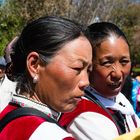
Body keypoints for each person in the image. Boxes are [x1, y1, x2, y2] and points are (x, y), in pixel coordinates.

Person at [0, 16, 92, 139]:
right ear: (34, 65)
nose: (86, 82)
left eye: (89, 71)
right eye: (77, 68)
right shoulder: (51, 135)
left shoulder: (6, 116)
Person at [58, 22, 140, 140]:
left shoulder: (120, 101)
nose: (117, 73)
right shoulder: (83, 113)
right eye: (107, 63)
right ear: (88, 65)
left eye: (124, 61)